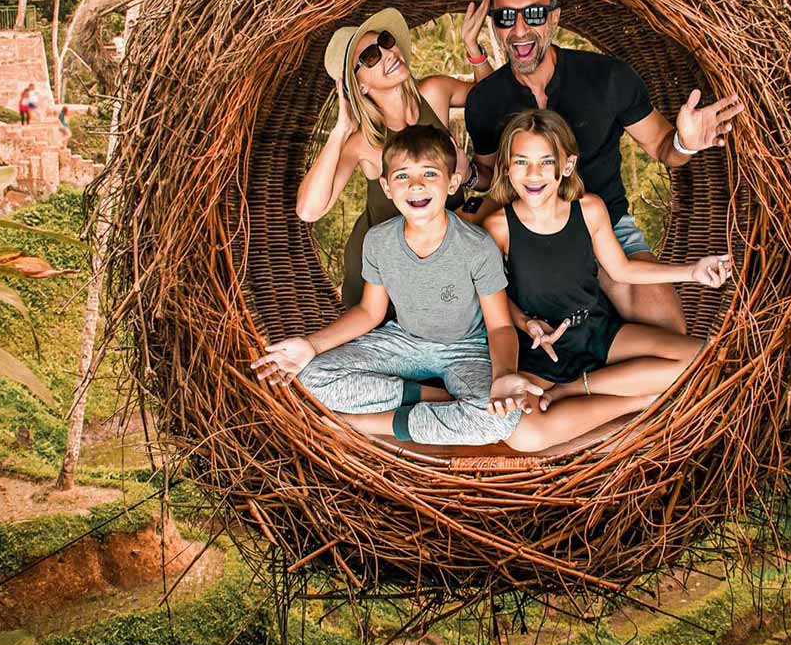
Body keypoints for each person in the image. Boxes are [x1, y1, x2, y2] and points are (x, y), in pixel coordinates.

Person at [255, 124, 654, 450]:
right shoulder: (379, 241)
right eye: (403, 177)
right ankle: (432, 399)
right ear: (387, 187)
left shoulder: (476, 246)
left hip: (465, 348)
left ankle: (376, 423)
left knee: (501, 418)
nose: (416, 186)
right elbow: (370, 313)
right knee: (309, 379)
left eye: (429, 174)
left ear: (451, 183)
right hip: (403, 342)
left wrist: (502, 375)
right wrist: (311, 345)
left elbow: (499, 326)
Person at [464, 0, 743, 334]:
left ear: (555, 17)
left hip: (607, 224)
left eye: (533, 14)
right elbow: (487, 176)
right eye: (504, 18)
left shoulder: (607, 78)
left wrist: (684, 142)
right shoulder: (485, 100)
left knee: (670, 337)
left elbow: (662, 146)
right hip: (527, 238)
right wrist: (463, 172)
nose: (518, 30)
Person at [483, 109, 728, 407]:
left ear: (567, 165)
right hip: (540, 345)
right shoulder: (498, 227)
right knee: (524, 431)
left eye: (546, 162)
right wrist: (525, 323)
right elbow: (493, 296)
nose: (534, 174)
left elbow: (622, 270)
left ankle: (573, 390)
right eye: (521, 162)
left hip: (594, 328)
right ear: (507, 168)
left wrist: (692, 272)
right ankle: (628, 396)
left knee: (701, 358)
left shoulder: (589, 210)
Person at [297, 1, 492, 308]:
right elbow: (309, 210)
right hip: (384, 281)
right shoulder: (365, 143)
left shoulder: (434, 92)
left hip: (448, 258)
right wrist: (340, 131)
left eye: (386, 42)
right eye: (371, 56)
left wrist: (473, 48)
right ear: (359, 86)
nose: (388, 53)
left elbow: (493, 96)